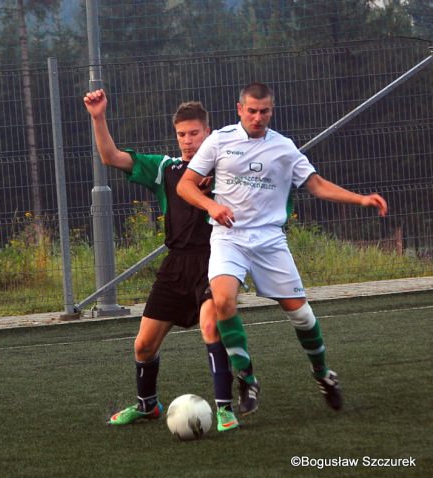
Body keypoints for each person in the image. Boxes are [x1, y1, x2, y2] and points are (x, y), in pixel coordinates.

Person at [177, 82, 388, 414]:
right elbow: (185, 184)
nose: (258, 117)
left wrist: (360, 198)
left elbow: (316, 184)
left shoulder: (284, 148)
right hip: (228, 237)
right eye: (251, 111)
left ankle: (323, 374)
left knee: (302, 316)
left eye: (264, 111)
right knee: (222, 300)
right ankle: (246, 377)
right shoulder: (219, 140)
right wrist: (211, 206)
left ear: (271, 111)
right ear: (239, 109)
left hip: (269, 241)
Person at [83, 88, 239, 432]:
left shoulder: (228, 169)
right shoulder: (166, 169)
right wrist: (98, 117)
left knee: (211, 328)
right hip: (175, 265)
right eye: (181, 134)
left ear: (208, 133)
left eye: (194, 133)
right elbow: (112, 157)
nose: (187, 140)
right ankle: (147, 406)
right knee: (143, 344)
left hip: (214, 261)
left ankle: (225, 408)